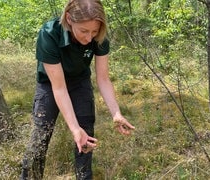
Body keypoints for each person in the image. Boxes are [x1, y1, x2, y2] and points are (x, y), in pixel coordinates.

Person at [20, 0, 135, 179]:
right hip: (50, 85)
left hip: (80, 82)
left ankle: (83, 176)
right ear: (69, 19)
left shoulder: (99, 36)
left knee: (85, 136)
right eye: (84, 31)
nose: (89, 38)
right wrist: (73, 128)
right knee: (40, 137)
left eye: (94, 31)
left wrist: (116, 113)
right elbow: (59, 88)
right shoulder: (49, 34)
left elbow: (103, 79)